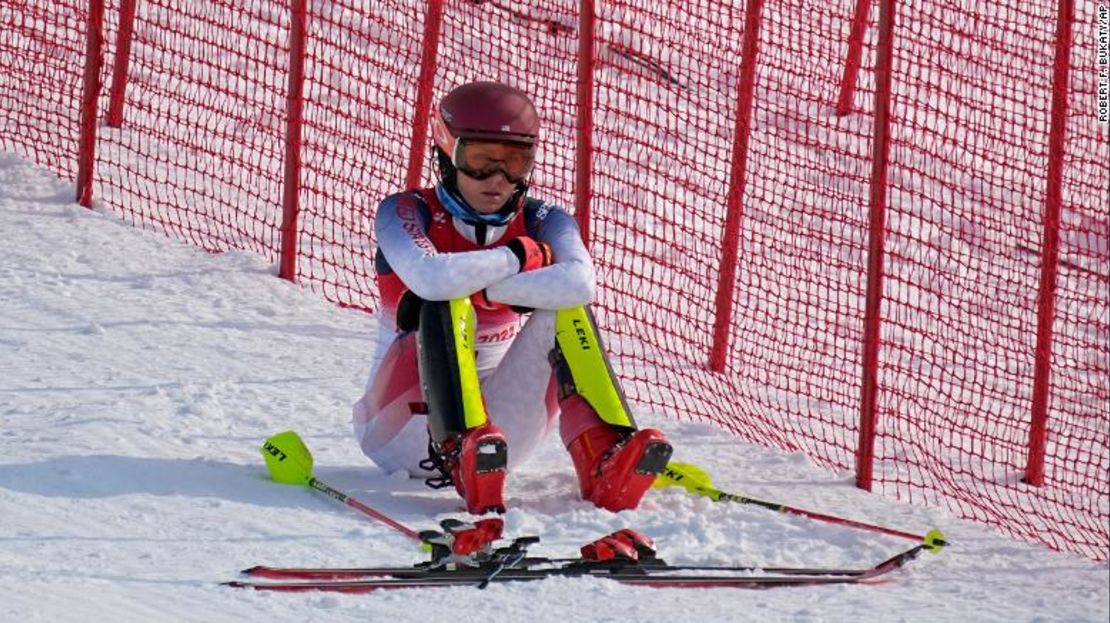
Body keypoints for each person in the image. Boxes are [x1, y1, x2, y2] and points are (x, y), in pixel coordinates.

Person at [352, 82, 672, 515]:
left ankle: (604, 457)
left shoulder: (545, 218)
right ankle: (460, 445)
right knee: (443, 300)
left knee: (565, 311)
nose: (497, 180)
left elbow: (579, 284)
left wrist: (484, 284)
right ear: (448, 153)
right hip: (400, 429)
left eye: (514, 163)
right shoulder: (405, 210)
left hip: (498, 443)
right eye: (480, 161)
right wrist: (517, 257)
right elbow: (430, 277)